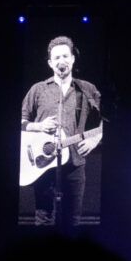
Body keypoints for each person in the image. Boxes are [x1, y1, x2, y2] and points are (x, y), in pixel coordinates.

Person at [21, 35, 102, 227]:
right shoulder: (38, 90)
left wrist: (95, 139)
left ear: (73, 58)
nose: (61, 61)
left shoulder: (87, 90)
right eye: (56, 58)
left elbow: (110, 122)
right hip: (43, 167)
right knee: (43, 219)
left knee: (72, 221)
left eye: (65, 56)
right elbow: (20, 122)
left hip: (74, 165)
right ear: (50, 63)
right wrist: (38, 126)